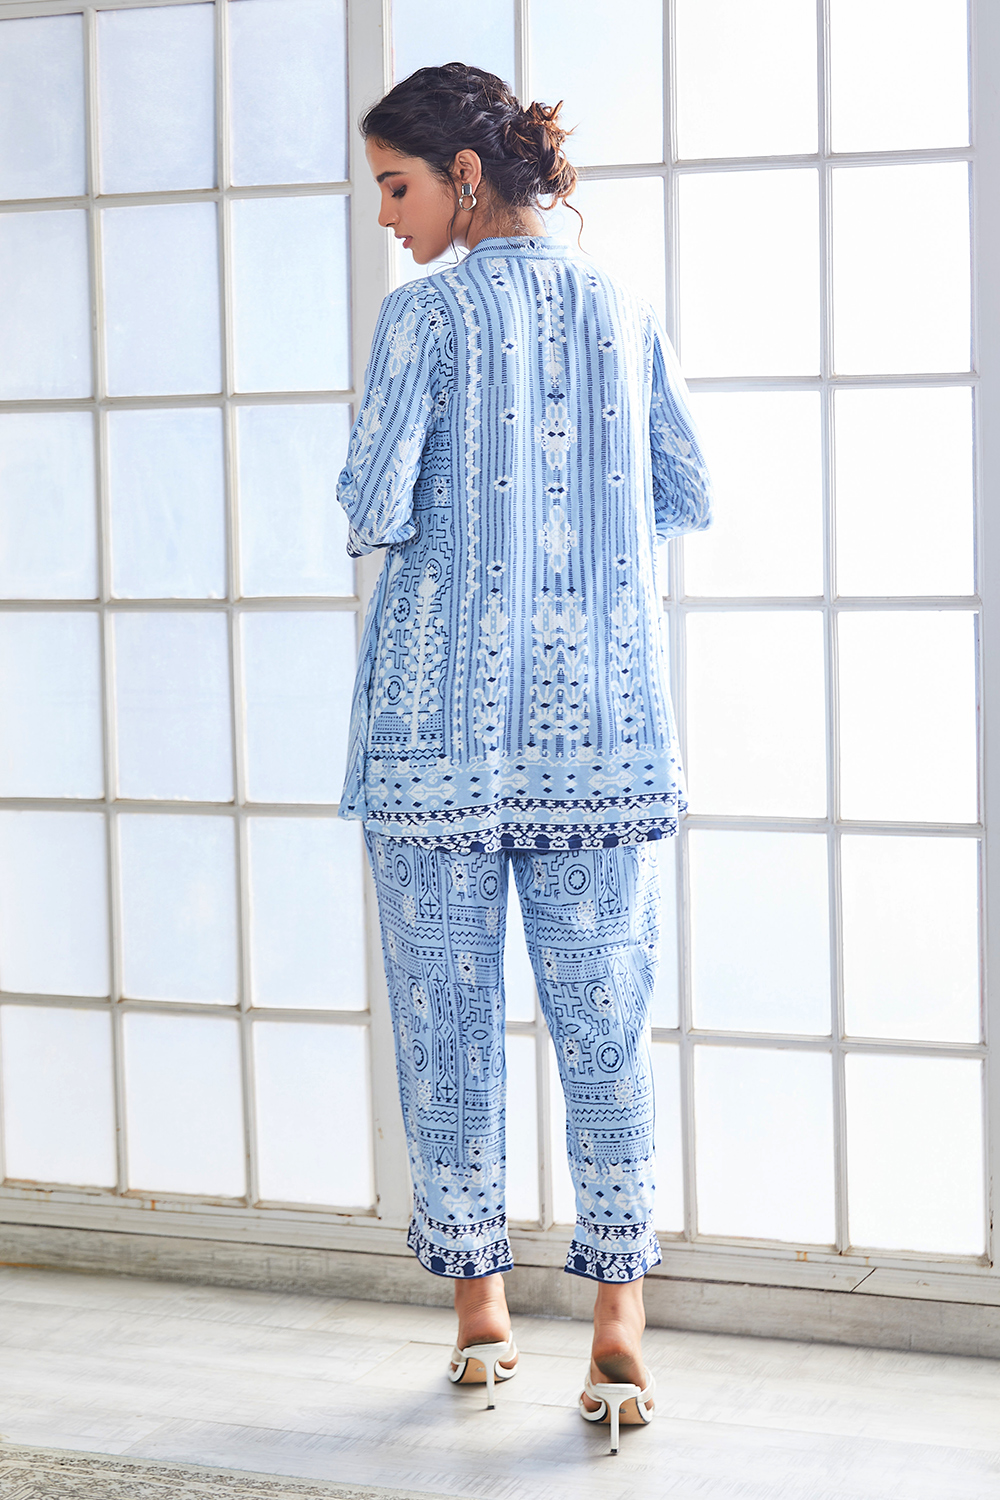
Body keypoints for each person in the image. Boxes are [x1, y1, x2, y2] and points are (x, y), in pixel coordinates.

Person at [336, 62, 712, 1452]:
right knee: (608, 1022)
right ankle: (618, 1328)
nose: (388, 218)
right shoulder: (623, 304)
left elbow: (371, 501)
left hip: (436, 736)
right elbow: (687, 487)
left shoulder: (426, 316)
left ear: (464, 175)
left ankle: (482, 1315)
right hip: (601, 729)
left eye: (396, 186)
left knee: (445, 1026)